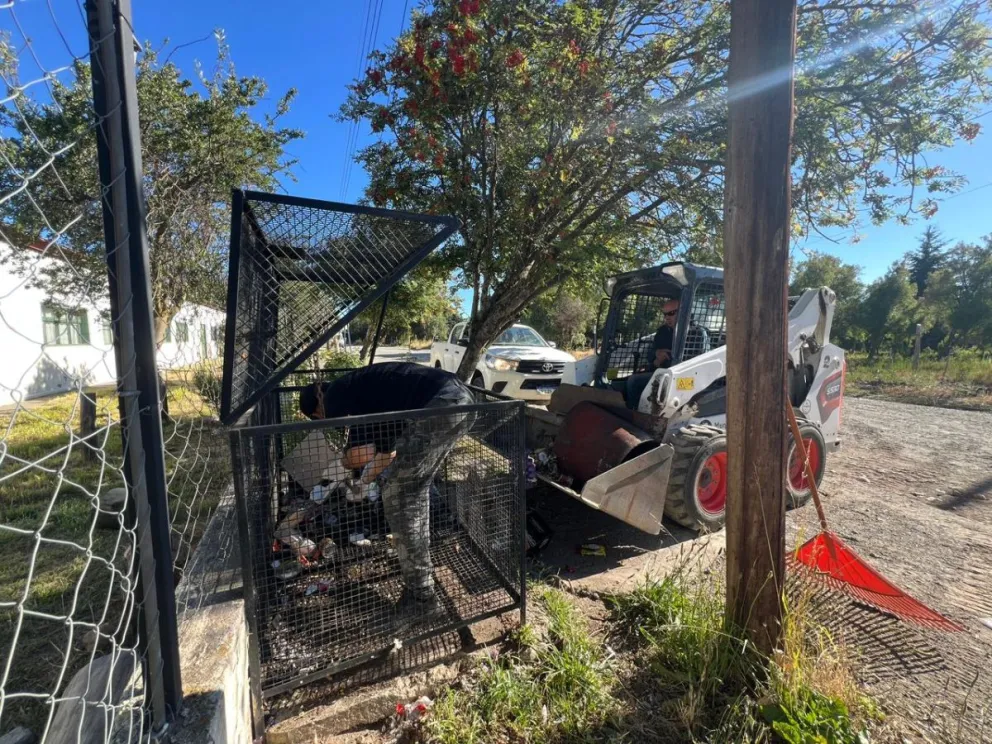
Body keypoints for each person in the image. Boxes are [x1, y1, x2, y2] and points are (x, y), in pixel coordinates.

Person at [299, 362, 476, 618]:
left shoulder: (334, 395)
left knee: (400, 497)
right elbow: (387, 452)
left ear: (317, 408)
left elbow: (361, 454)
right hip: (461, 402)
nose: (325, 421)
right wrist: (363, 483)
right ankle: (421, 581)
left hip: (443, 405)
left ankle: (422, 598)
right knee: (412, 490)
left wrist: (342, 464)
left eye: (319, 419)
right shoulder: (368, 394)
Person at [624, 298, 679, 408]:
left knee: (634, 381)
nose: (667, 317)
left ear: (682, 311)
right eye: (665, 314)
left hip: (682, 378)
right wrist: (656, 355)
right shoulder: (662, 332)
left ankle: (635, 415)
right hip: (660, 373)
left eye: (671, 313)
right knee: (628, 380)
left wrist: (672, 358)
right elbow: (650, 353)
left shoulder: (697, 333)